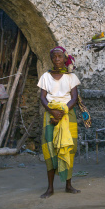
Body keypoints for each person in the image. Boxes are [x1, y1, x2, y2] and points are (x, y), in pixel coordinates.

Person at [37, 46, 81, 198]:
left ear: (64, 58)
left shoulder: (71, 77)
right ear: (51, 59)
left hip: (68, 115)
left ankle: (68, 185)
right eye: (54, 57)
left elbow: (74, 98)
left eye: (60, 57)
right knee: (50, 149)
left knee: (68, 148)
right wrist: (52, 111)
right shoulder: (45, 77)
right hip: (50, 115)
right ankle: (50, 188)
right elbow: (42, 97)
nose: (57, 60)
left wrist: (62, 112)